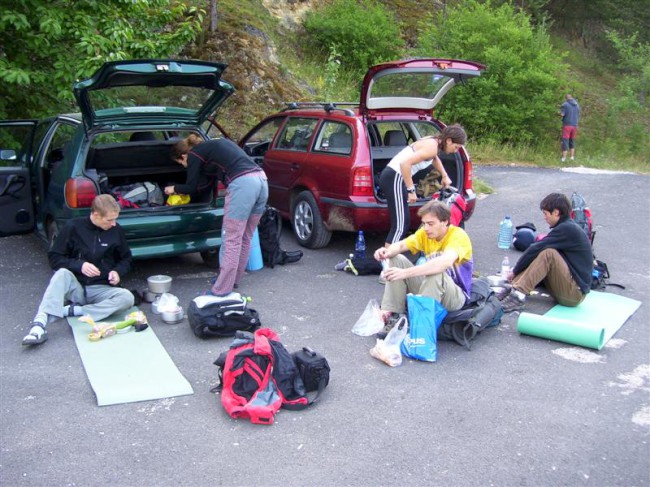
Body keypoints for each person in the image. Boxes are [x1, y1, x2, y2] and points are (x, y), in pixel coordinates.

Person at [22, 195, 135, 346]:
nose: (113, 224)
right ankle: (39, 324)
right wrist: (79, 265)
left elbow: (126, 259)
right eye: (109, 220)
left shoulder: (116, 231)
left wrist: (117, 272)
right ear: (95, 214)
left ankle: (75, 311)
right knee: (61, 274)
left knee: (127, 298)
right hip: (77, 287)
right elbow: (54, 259)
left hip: (102, 289)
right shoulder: (73, 227)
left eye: (115, 219)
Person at [166, 135, 268, 296]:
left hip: (243, 184)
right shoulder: (212, 149)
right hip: (261, 179)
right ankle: (232, 280)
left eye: (181, 163)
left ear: (183, 155)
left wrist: (174, 188)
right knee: (245, 236)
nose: (184, 166)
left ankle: (221, 290)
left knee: (231, 239)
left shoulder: (194, 154)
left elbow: (191, 186)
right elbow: (204, 184)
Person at [373, 200, 473, 338]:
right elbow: (402, 246)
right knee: (396, 259)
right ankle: (394, 315)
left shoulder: (458, 236)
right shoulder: (425, 234)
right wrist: (386, 252)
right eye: (424, 223)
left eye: (431, 224)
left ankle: (420, 325)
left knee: (436, 273)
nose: (426, 228)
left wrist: (405, 273)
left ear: (444, 222)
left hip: (455, 296)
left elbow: (443, 263)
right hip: (432, 288)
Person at [499, 193, 593, 313]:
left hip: (574, 294)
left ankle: (518, 295)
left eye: (546, 213)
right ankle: (513, 289)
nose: (544, 217)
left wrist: (514, 270)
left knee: (548, 253)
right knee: (543, 251)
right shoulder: (565, 227)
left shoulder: (567, 228)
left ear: (556, 212)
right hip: (568, 288)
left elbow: (535, 248)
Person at [378, 124, 465, 247]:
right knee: (400, 225)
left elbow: (434, 158)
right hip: (394, 177)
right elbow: (404, 164)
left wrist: (444, 175)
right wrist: (411, 190)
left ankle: (389, 258)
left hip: (395, 177)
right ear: (449, 140)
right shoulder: (432, 147)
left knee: (403, 223)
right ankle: (387, 260)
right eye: (456, 147)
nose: (455, 151)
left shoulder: (434, 142)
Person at [560, 94, 580, 162]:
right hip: (575, 125)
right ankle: (572, 158)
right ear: (571, 98)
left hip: (567, 125)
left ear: (566, 98)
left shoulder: (565, 104)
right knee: (572, 141)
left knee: (565, 140)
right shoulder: (577, 105)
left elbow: (562, 114)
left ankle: (563, 159)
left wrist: (558, 113)